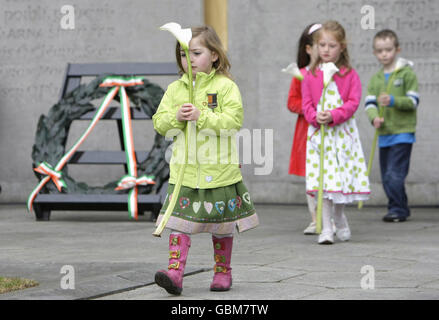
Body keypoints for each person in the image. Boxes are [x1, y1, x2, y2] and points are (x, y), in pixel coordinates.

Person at [152, 25, 259, 295]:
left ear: (214, 55)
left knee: (221, 225)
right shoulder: (175, 89)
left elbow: (232, 122)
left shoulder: (226, 87)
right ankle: (175, 274)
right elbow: (160, 124)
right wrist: (175, 117)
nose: (188, 59)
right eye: (182, 54)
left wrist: (203, 116)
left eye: (196, 53)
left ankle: (223, 272)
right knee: (179, 223)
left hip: (219, 172)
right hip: (184, 174)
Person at [302, 20, 370, 244]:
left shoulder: (348, 74)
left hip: (341, 136)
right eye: (322, 45)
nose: (326, 50)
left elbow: (353, 102)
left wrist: (334, 115)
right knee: (324, 182)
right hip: (319, 137)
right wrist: (315, 116)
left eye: (332, 45)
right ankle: (326, 228)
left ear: (341, 47)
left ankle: (340, 217)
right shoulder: (310, 74)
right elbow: (307, 103)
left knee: (338, 180)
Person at [365, 29, 419, 222]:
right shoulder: (376, 79)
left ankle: (396, 208)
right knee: (386, 176)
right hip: (384, 134)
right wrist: (374, 119)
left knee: (394, 174)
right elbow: (369, 104)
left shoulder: (406, 74)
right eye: (380, 51)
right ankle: (400, 206)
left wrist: (394, 100)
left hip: (403, 132)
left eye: (388, 49)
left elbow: (413, 101)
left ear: (397, 49)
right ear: (374, 53)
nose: (384, 54)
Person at [287, 23, 320, 235]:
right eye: (320, 44)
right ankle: (315, 218)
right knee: (312, 176)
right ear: (308, 48)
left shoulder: (332, 73)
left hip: (328, 130)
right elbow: (292, 102)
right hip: (307, 130)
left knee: (328, 174)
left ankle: (329, 218)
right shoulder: (300, 74)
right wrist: (310, 108)